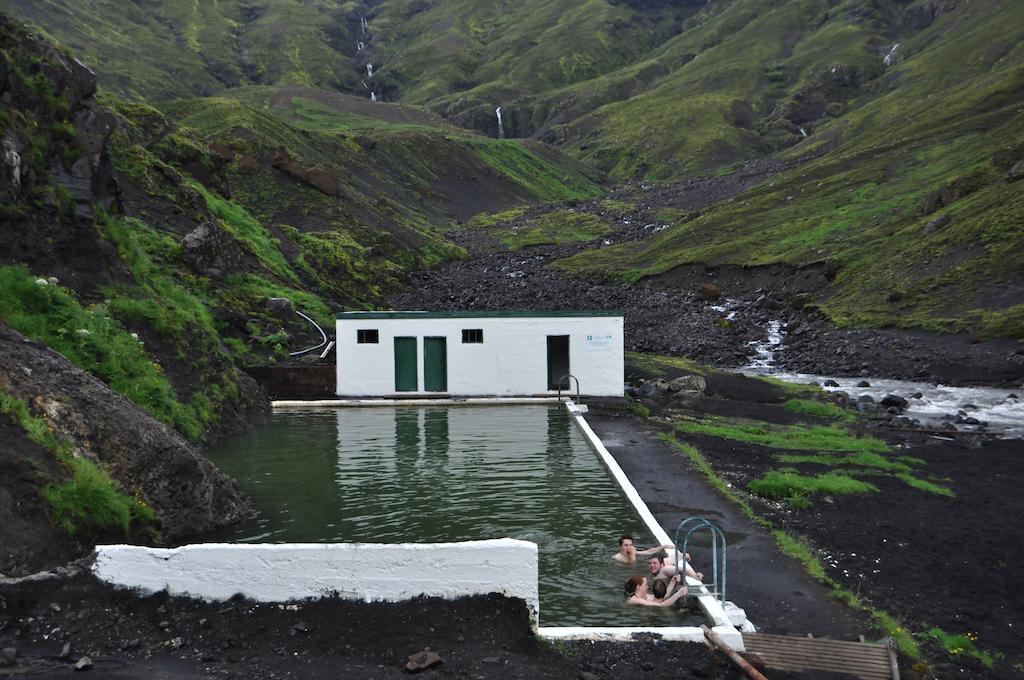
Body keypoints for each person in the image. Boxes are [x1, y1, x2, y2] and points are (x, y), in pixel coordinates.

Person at [613, 535, 680, 565]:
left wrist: (664, 546)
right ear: (620, 547)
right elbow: (632, 564)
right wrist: (633, 554)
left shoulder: (631, 553)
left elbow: (648, 552)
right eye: (626, 545)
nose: (629, 547)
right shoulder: (617, 557)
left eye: (630, 545)